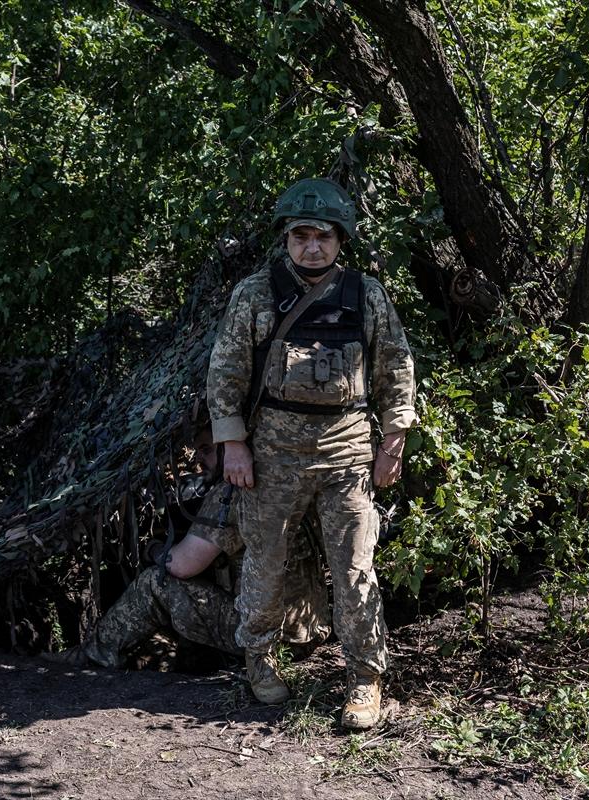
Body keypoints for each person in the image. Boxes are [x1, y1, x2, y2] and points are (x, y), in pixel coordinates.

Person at [206, 178, 415, 730]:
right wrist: (233, 445)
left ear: (340, 239)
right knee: (264, 562)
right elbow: (226, 374)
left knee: (354, 568)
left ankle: (365, 680)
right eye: (301, 236)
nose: (312, 246)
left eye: (322, 236)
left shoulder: (366, 294)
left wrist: (392, 442)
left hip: (347, 446)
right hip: (272, 451)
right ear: (286, 239)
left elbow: (396, 369)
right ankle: (259, 659)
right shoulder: (256, 293)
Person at [45, 431, 331, 671]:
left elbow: (182, 565)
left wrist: (153, 549)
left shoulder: (230, 493)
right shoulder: (285, 483)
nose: (198, 460)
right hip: (308, 631)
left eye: (206, 450)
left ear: (230, 449)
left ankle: (92, 656)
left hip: (269, 640)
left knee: (155, 584)